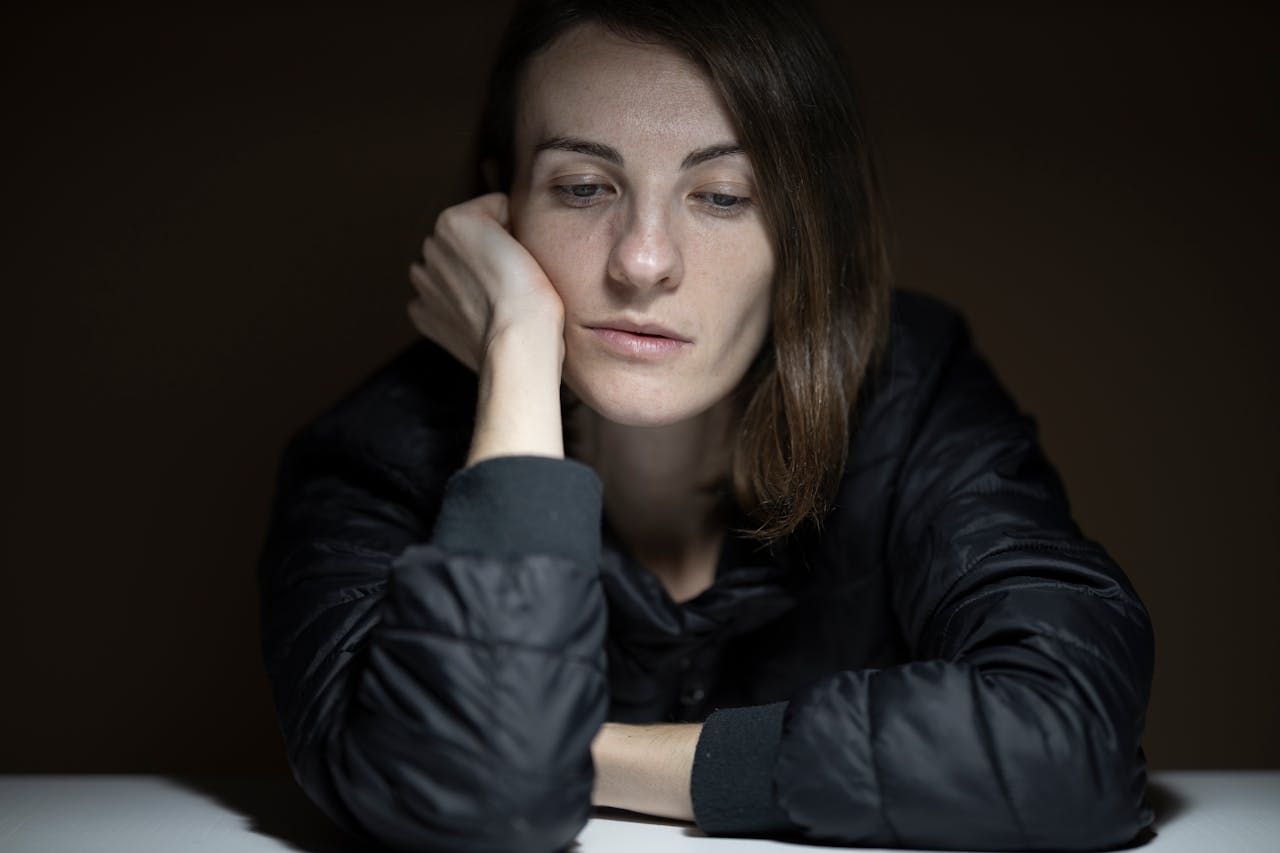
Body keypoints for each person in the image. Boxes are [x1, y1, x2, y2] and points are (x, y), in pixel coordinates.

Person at [257, 1, 1155, 850]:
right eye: (581, 187)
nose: (643, 260)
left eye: (723, 195)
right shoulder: (373, 458)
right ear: (498, 211)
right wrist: (518, 344)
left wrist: (590, 752)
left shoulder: (911, 394)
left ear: (808, 232)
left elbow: (1069, 737)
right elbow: (477, 807)